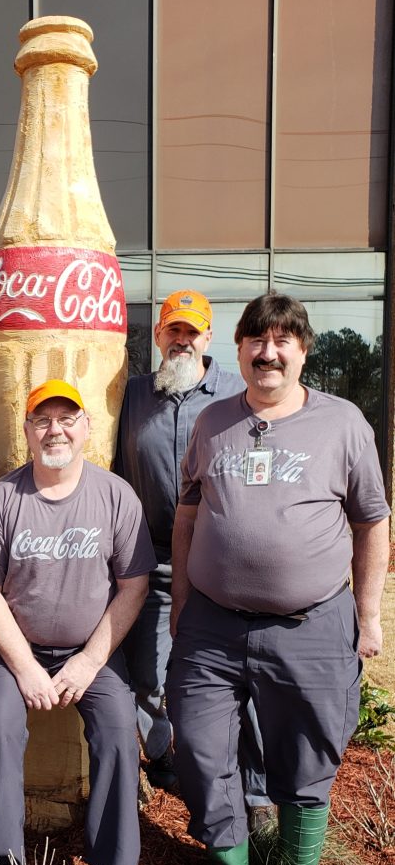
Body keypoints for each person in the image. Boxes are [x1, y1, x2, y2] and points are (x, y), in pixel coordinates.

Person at [167, 292, 390, 865]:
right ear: (237, 350)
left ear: (302, 350)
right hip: (210, 623)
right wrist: (180, 600)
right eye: (255, 341)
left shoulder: (342, 422)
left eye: (282, 341)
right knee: (203, 749)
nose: (267, 353)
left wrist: (368, 615)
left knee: (307, 755)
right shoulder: (210, 422)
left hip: (312, 623)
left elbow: (371, 520)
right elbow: (186, 516)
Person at [0, 379, 156, 865]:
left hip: (91, 652)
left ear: (87, 428)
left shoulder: (116, 496)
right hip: (12, 651)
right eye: (42, 420)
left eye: (67, 418)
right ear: (25, 432)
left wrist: (91, 662)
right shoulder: (2, 498)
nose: (55, 429)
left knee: (120, 728)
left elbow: (135, 584)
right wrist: (24, 669)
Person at [115, 289, 273, 830]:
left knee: (240, 682)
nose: (182, 340)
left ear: (209, 337)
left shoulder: (238, 392)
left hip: (218, 562)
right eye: (173, 330)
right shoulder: (132, 395)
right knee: (147, 675)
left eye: (193, 331)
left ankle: (257, 797)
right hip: (152, 560)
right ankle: (164, 754)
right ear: (158, 336)